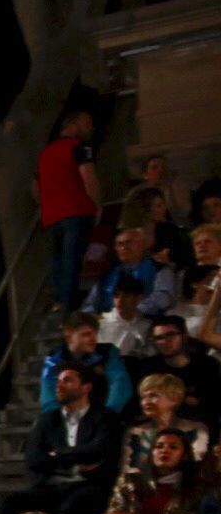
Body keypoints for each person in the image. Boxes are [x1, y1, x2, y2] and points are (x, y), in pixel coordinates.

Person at [2, 361, 120, 514]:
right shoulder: (47, 420)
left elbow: (98, 450)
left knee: (76, 507)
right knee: (10, 505)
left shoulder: (104, 417)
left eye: (67, 381)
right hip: (51, 486)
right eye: (58, 381)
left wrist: (58, 453)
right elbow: (34, 458)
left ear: (86, 388)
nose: (59, 385)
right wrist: (77, 458)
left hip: (88, 484)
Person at [37, 110, 99, 310]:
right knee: (73, 259)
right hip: (76, 211)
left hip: (52, 217)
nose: (91, 128)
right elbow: (88, 178)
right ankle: (68, 305)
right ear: (74, 125)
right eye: (87, 123)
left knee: (58, 260)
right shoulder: (79, 147)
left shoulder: (45, 154)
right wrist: (98, 205)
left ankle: (58, 300)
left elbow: (35, 186)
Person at [132, 315, 221, 431]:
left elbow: (213, 404)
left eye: (170, 335)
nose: (164, 342)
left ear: (184, 336)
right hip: (158, 428)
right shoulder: (148, 367)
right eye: (159, 338)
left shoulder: (207, 365)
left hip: (201, 428)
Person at [39, 311, 133, 415]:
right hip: (68, 416)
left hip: (102, 412)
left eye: (95, 334)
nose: (93, 339)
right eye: (86, 334)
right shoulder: (54, 358)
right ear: (68, 336)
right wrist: (58, 420)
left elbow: (120, 383)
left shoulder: (108, 352)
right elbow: (48, 393)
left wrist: (108, 413)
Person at [126, 372, 210, 470]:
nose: (145, 402)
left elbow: (197, 465)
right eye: (143, 397)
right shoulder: (136, 433)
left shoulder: (196, 430)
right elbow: (127, 469)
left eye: (153, 396)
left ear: (174, 398)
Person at [88, 227, 177, 317]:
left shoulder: (160, 270)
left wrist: (132, 312)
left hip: (145, 322)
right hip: (108, 323)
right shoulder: (108, 274)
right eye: (119, 244)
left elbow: (163, 298)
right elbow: (90, 303)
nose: (124, 248)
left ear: (143, 244)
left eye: (129, 242)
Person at [124, 185, 193, 272]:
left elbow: (183, 262)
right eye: (159, 206)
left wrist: (168, 263)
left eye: (163, 204)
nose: (164, 208)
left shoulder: (170, 231)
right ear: (145, 210)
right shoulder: (129, 236)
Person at [97, 275, 153, 358]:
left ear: (138, 298)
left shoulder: (147, 326)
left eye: (126, 296)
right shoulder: (101, 323)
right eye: (116, 295)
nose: (120, 300)